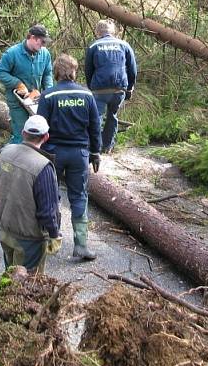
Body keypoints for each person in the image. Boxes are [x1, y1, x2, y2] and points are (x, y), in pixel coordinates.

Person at [37, 54, 102, 260]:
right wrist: (96, 152)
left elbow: (40, 126)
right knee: (79, 196)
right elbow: (95, 127)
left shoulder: (48, 96)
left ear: (56, 72)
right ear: (74, 71)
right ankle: (81, 244)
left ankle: (50, 240)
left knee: (49, 194)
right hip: (79, 154)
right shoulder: (87, 95)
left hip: (53, 153)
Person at [0, 115, 62, 272]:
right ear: (46, 137)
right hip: (29, 239)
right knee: (27, 287)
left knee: (10, 277)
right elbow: (48, 210)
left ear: (23, 133)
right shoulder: (42, 166)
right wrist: (54, 234)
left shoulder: (5, 152)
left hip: (6, 230)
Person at [0, 25, 54, 144]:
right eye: (41, 42)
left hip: (35, 101)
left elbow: (47, 74)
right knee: (21, 133)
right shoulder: (12, 53)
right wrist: (17, 83)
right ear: (32, 37)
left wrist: (49, 92)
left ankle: (30, 158)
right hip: (17, 102)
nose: (43, 45)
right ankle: (8, 159)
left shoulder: (45, 54)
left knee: (38, 133)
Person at [84, 19, 137, 153]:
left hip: (99, 89)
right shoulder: (124, 45)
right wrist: (130, 87)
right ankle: (108, 146)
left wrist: (91, 86)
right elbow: (132, 69)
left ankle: (95, 147)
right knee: (112, 115)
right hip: (119, 88)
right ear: (113, 32)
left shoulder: (93, 46)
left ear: (97, 32)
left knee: (97, 117)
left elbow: (88, 70)